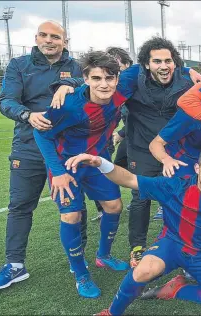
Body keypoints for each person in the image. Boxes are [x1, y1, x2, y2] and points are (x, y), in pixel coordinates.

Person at [68, 145, 201, 315]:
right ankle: (112, 312)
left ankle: (176, 289)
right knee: (143, 270)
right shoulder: (174, 187)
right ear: (198, 169)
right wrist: (100, 163)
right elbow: (130, 179)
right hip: (171, 245)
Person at [51, 36, 199, 268]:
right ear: (145, 64)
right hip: (141, 147)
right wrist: (67, 82)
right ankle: (137, 249)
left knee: (183, 194)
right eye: (157, 61)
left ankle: (185, 244)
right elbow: (98, 78)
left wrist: (190, 70)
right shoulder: (132, 77)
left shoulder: (185, 77)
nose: (164, 66)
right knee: (141, 197)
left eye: (168, 61)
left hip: (175, 148)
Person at [0, 20, 87, 291]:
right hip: (28, 147)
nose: (49, 40)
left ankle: (77, 260)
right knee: (20, 206)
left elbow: (92, 81)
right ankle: (14, 265)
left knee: (73, 206)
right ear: (36, 38)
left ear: (64, 42)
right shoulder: (19, 65)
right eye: (44, 35)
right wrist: (28, 115)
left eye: (55, 37)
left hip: (67, 149)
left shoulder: (76, 66)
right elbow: (7, 101)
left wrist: (70, 84)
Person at [33, 51, 130, 298]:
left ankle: (104, 256)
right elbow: (41, 133)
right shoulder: (68, 104)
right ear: (85, 78)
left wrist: (191, 71)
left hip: (96, 162)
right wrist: (57, 173)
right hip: (66, 167)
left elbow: (150, 67)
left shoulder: (121, 92)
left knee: (114, 205)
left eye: (110, 77)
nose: (104, 84)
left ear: (118, 78)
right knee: (71, 216)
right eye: (96, 78)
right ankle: (80, 273)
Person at [92, 47, 134, 222]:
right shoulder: (103, 87)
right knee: (109, 168)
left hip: (143, 135)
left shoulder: (133, 83)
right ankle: (103, 208)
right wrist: (64, 86)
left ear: (127, 65)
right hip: (100, 139)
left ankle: (147, 200)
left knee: (142, 167)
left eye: (117, 67)